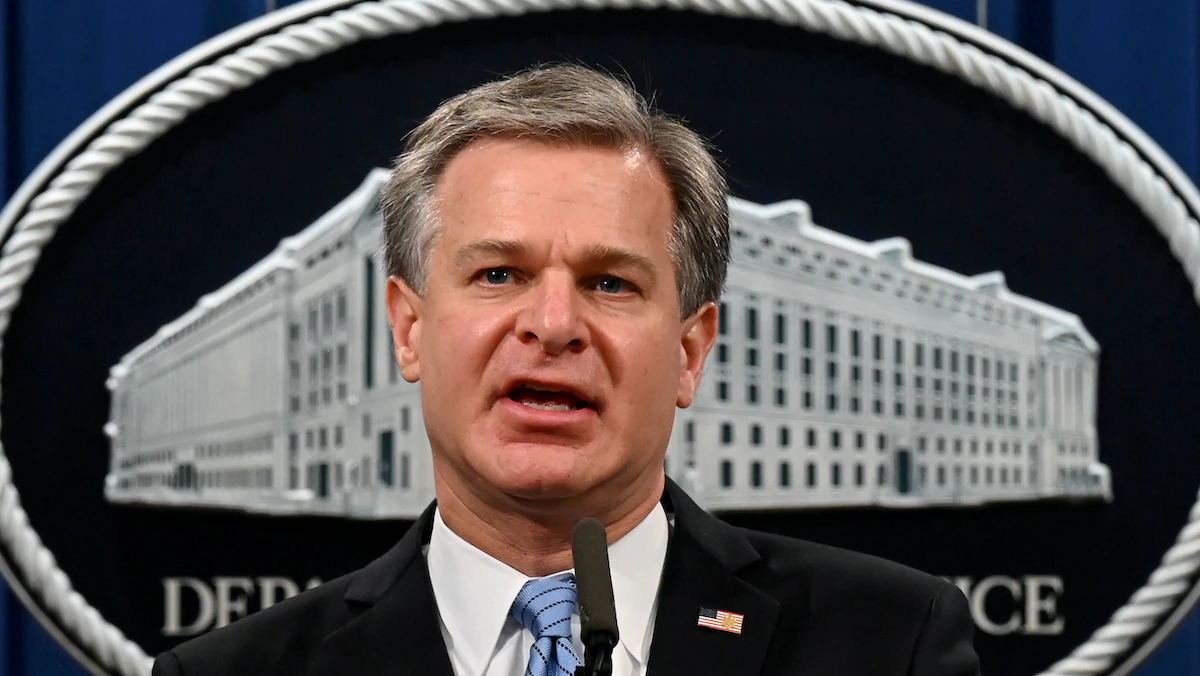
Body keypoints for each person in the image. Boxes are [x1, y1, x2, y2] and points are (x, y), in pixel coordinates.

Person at [152, 64, 981, 676]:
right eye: (498, 274)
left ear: (690, 352)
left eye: (610, 283)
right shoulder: (230, 674)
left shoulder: (889, 642)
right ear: (409, 329)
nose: (552, 326)